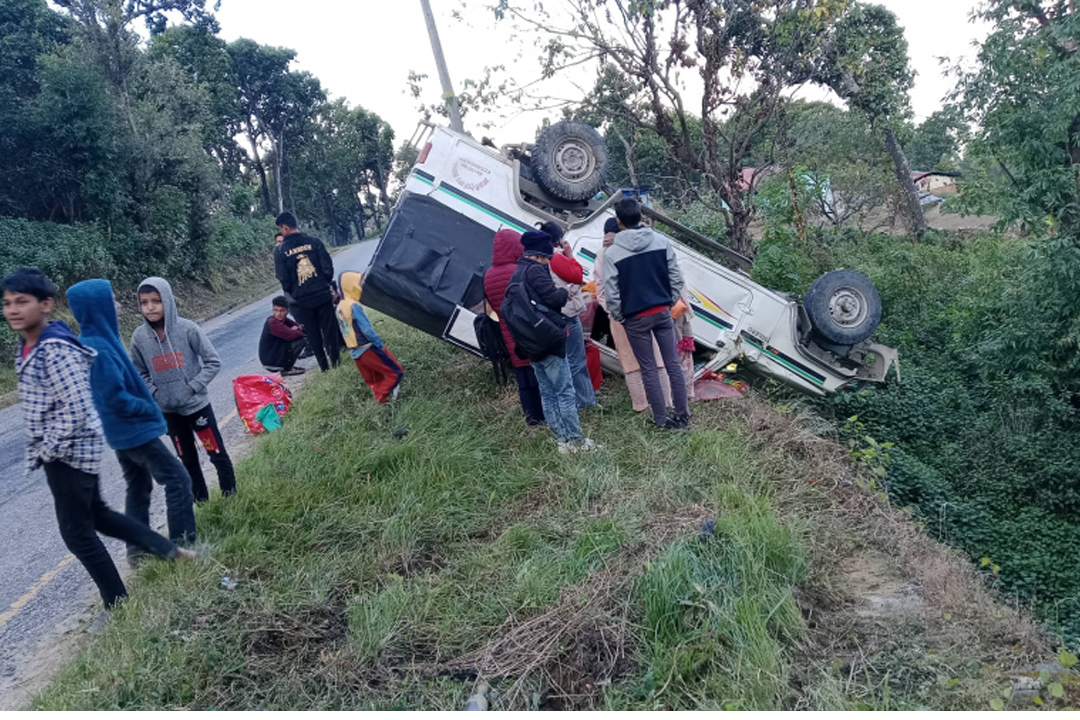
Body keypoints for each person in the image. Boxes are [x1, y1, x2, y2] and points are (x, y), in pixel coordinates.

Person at [2, 268, 194, 611]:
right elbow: (106, 398)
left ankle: (126, 590)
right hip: (116, 435)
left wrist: (47, 447)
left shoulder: (64, 345)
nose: (12, 310)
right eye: (8, 303)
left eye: (21, 302)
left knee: (96, 519)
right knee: (147, 492)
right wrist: (149, 406)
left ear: (45, 305)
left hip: (80, 450)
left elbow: (79, 404)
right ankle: (173, 548)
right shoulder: (82, 344)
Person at [67, 279, 197, 554]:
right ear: (97, 306)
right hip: (134, 431)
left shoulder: (99, 339)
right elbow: (113, 397)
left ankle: (138, 553)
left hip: (121, 434)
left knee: (138, 489)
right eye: (111, 300)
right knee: (178, 480)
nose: (117, 304)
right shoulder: (98, 348)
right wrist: (146, 407)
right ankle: (182, 545)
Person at [130, 277, 237, 502]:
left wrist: (192, 387)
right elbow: (139, 372)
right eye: (144, 302)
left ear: (167, 301)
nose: (150, 307)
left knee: (216, 454)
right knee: (188, 461)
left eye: (156, 301)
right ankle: (202, 504)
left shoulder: (188, 329)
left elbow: (212, 362)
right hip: (169, 413)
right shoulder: (139, 337)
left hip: (197, 408)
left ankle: (231, 499)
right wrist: (155, 392)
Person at [602, 198, 690, 429]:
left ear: (619, 222)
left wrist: (621, 316)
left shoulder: (612, 254)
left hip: (635, 318)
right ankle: (682, 415)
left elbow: (611, 293)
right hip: (662, 312)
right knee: (672, 363)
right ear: (641, 216)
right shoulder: (661, 242)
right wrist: (668, 302)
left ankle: (661, 420)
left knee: (648, 368)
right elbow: (676, 278)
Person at [508, 231, 597, 453]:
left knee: (547, 391)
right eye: (548, 257)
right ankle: (575, 440)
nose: (549, 261)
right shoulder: (536, 270)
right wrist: (563, 291)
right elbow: (553, 298)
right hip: (546, 338)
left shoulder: (517, 271)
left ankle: (560, 440)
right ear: (540, 254)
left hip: (530, 341)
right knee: (564, 390)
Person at [595, 217, 673, 413]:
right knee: (657, 360)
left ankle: (641, 406)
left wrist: (616, 312)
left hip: (621, 316)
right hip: (646, 310)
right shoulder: (640, 247)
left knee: (630, 362)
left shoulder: (604, 255)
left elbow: (601, 291)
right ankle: (666, 403)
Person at [484, 229, 545, 427]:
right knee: (541, 377)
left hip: (508, 332)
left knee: (524, 381)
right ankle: (548, 416)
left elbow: (492, 308)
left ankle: (532, 421)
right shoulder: (520, 271)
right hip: (530, 331)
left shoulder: (488, 275)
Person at [538, 221, 596, 410]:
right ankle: (584, 402)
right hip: (567, 314)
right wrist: (570, 255)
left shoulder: (538, 258)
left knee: (562, 361)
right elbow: (577, 275)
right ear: (558, 240)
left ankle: (572, 401)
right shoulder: (556, 257)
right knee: (576, 359)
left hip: (552, 315)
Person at [274, 211, 341, 371]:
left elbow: (283, 278)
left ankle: (324, 367)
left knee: (313, 333)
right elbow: (328, 267)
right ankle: (336, 363)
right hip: (322, 294)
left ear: (284, 227)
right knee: (329, 329)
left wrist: (295, 291)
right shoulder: (314, 241)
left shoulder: (280, 251)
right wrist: (323, 283)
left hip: (302, 299)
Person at [336, 271, 404, 403]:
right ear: (352, 285)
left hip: (355, 353)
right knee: (395, 372)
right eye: (359, 283)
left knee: (374, 380)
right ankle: (379, 398)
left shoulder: (340, 306)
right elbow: (366, 329)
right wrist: (379, 344)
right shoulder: (354, 306)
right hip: (367, 348)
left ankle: (382, 404)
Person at [260, 296, 307, 375]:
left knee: (300, 336)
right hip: (271, 362)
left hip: (275, 355)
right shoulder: (273, 322)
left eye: (282, 311)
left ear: (288, 311)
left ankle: (286, 366)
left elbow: (301, 326)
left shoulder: (284, 320)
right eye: (276, 310)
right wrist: (294, 330)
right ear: (272, 310)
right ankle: (287, 369)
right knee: (301, 340)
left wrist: (298, 328)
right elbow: (293, 335)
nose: (278, 314)